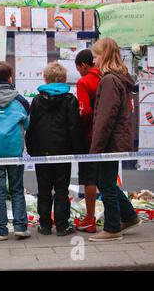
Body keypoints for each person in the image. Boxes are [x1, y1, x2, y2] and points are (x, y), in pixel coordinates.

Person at [88, 38, 141, 242]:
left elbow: (105, 117)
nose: (93, 62)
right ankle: (129, 216)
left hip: (109, 141)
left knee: (105, 183)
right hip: (117, 139)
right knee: (108, 181)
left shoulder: (109, 80)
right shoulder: (120, 78)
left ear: (105, 56)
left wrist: (96, 148)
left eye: (95, 56)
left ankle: (111, 229)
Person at [26, 62, 83, 237]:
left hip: (41, 151)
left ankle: (44, 225)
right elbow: (74, 127)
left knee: (43, 188)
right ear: (64, 79)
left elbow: (32, 127)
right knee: (61, 189)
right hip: (62, 151)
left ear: (45, 78)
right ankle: (62, 225)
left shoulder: (37, 100)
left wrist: (31, 148)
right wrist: (78, 149)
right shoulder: (70, 100)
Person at [0, 61, 30, 241]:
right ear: (10, 78)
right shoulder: (21, 101)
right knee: (17, 189)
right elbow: (27, 124)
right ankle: (20, 227)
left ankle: (0, 230)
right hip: (15, 152)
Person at [75, 49, 100, 233]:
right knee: (107, 176)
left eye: (79, 69)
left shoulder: (84, 81)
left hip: (90, 136)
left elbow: (84, 111)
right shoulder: (106, 76)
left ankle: (90, 218)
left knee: (89, 178)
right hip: (107, 135)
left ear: (84, 65)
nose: (79, 72)